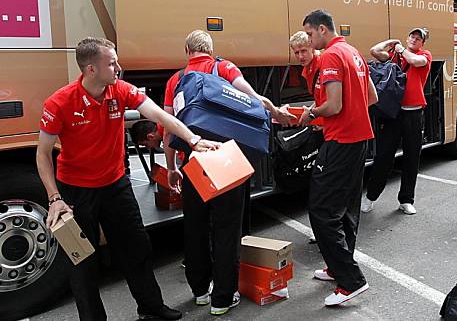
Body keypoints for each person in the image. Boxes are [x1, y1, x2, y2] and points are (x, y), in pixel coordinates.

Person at [36, 37, 220, 321]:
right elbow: (43, 154)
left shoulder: (119, 90)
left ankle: (151, 308)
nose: (119, 67)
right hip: (76, 191)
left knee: (137, 247)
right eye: (111, 63)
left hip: (115, 185)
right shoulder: (60, 103)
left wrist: (193, 139)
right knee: (82, 260)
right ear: (90, 69)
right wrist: (54, 198)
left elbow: (159, 114)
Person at [162, 30, 295, 315]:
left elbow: (167, 128)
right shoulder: (224, 67)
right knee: (226, 229)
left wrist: (173, 167)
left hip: (193, 161)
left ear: (187, 50)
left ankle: (199, 291)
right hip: (225, 160)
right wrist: (274, 110)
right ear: (210, 49)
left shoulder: (175, 80)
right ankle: (222, 298)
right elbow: (253, 97)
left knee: (195, 227)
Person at [298, 9, 378, 306]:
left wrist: (311, 113)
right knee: (346, 208)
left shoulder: (332, 55)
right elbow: (372, 98)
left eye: (308, 34)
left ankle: (351, 281)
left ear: (322, 29)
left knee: (321, 211)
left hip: (341, 140)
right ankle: (337, 269)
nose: (308, 39)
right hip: (358, 139)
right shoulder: (353, 52)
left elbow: (332, 105)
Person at [362, 28, 433, 215]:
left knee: (411, 158)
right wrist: (391, 41)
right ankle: (370, 196)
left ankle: (406, 200)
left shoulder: (424, 55)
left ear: (422, 43)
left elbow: (415, 61)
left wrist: (401, 49)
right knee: (383, 157)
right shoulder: (395, 57)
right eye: (412, 36)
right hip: (394, 114)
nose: (414, 40)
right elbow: (374, 51)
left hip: (414, 114)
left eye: (418, 39)